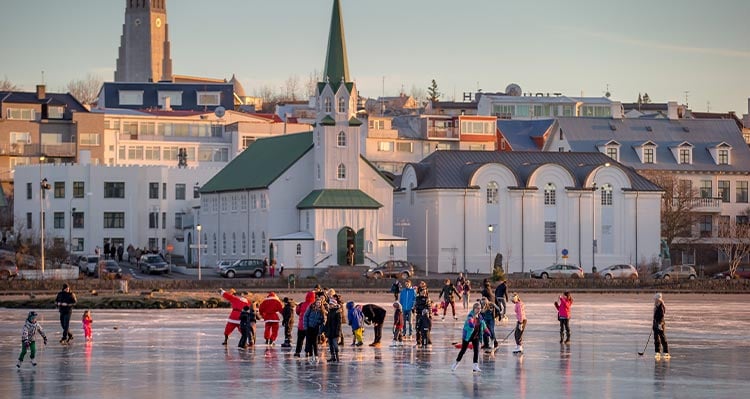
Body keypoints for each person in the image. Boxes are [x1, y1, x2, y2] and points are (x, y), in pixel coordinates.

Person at [451, 302, 490, 373]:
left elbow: (484, 325)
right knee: (463, 350)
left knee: (476, 351)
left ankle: (475, 366)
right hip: (468, 336)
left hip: (476, 336)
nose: (479, 310)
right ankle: (456, 363)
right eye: (477, 308)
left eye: (480, 308)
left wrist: (487, 331)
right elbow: (470, 320)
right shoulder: (470, 315)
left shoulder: (480, 317)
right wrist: (471, 324)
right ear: (474, 309)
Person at [303, 296, 326, 363]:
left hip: (316, 328)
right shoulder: (310, 308)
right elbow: (305, 316)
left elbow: (323, 320)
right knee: (309, 342)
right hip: (309, 327)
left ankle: (316, 355)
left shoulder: (321, 310)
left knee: (315, 342)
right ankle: (310, 355)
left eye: (319, 303)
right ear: (315, 302)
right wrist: (305, 326)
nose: (318, 304)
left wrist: (321, 327)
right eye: (317, 302)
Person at [294, 291, 317, 357]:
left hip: (301, 325)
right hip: (309, 326)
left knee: (300, 339)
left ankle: (297, 352)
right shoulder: (313, 305)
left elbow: (297, 311)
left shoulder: (301, 304)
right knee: (309, 340)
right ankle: (307, 352)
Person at [653, 293, 670, 359]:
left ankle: (666, 352)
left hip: (660, 324)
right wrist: (654, 324)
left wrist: (660, 324)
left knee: (662, 338)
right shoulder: (656, 306)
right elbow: (654, 317)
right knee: (656, 339)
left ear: (658, 299)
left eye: (655, 299)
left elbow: (662, 316)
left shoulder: (661, 306)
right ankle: (657, 352)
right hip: (656, 324)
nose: (654, 300)